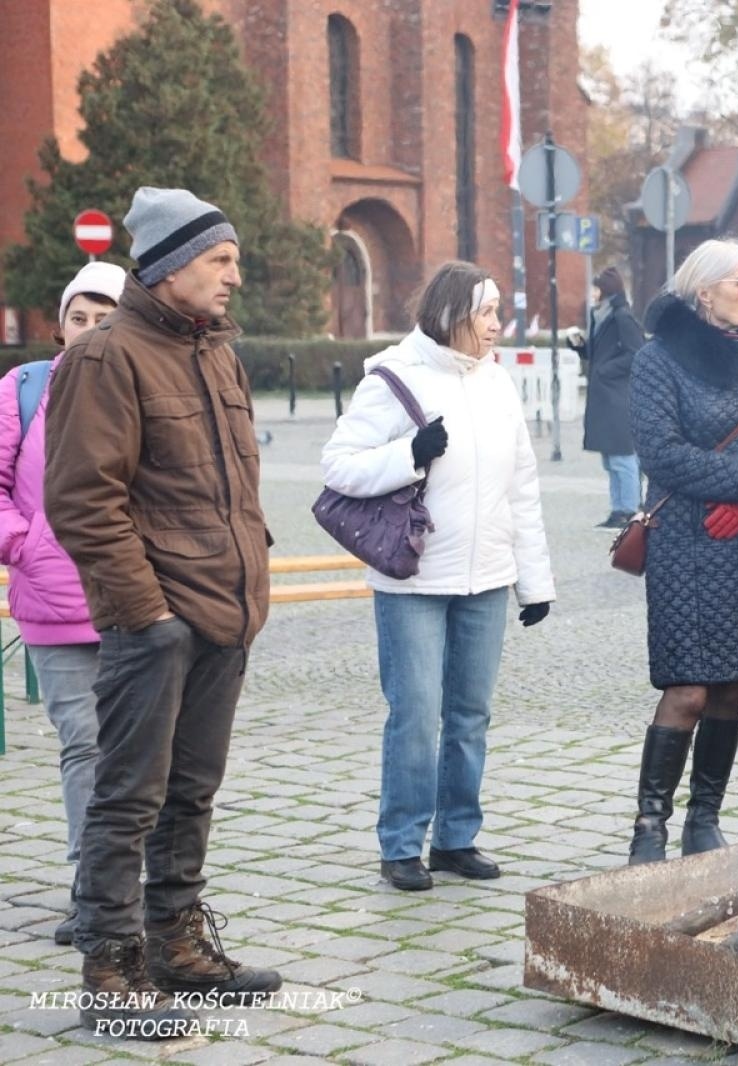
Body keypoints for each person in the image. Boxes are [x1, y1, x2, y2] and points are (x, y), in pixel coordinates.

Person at [45, 187, 279, 1037]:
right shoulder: (106, 357)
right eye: (220, 260)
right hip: (156, 625)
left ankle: (176, 944)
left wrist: (249, 582)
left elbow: (230, 490)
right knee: (128, 795)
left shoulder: (216, 352)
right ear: (174, 263)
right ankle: (112, 972)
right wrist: (148, 616)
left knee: (192, 791)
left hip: (225, 615)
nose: (233, 276)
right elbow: (81, 502)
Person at [322, 261, 556, 891]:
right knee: (415, 714)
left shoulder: (499, 384)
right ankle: (401, 844)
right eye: (487, 312)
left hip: (486, 578)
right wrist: (409, 454)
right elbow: (338, 466)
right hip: (413, 580)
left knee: (470, 713)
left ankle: (456, 837)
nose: (496, 324)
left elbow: (522, 490)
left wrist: (534, 583)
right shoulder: (394, 377)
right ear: (453, 314)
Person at [626, 237, 738, 863]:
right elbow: (660, 452)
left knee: (732, 687)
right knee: (689, 689)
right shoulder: (659, 360)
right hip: (686, 542)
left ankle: (705, 819)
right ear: (704, 292)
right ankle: (650, 827)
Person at [0, 262, 125, 947]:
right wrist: (24, 545)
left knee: (136, 750)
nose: (90, 330)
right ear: (61, 323)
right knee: (85, 744)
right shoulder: (23, 390)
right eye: (80, 316)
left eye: (106, 318)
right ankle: (91, 889)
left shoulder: (143, 391)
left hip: (135, 598)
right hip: (51, 601)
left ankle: (132, 885)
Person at [575, 266, 645, 529]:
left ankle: (628, 510)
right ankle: (619, 509)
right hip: (606, 396)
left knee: (622, 456)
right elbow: (601, 353)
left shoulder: (621, 316)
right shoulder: (603, 316)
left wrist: (606, 370)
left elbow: (636, 353)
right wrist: (581, 348)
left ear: (606, 291)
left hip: (617, 396)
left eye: (596, 288)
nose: (592, 293)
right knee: (611, 457)